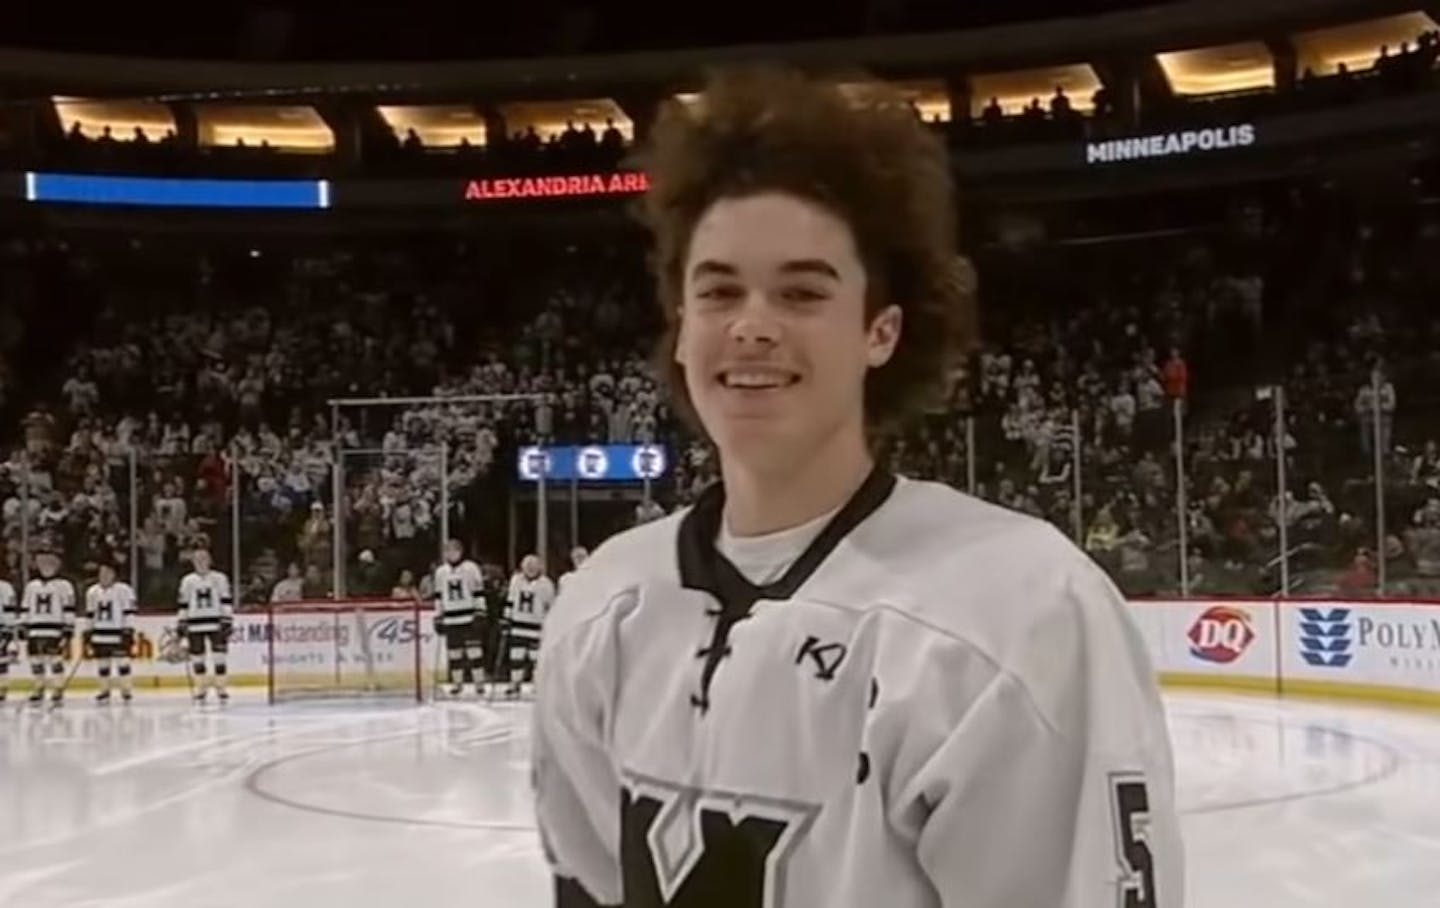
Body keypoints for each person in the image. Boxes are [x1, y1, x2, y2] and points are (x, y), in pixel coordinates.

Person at [532, 66, 1182, 908]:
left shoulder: (1022, 614)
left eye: (803, 292)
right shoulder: (604, 605)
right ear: (682, 328)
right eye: (718, 290)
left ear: (882, 331)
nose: (753, 324)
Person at [20, 549, 76, 707]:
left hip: (54, 629)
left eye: (49, 562)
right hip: (34, 628)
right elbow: (26, 606)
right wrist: (24, 624)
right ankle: (39, 687)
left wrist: (69, 627)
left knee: (55, 660)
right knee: (36, 659)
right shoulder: (31, 586)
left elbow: (69, 608)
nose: (45, 565)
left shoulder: (65, 586)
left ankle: (57, 688)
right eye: (41, 562)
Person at [177, 548, 234, 704]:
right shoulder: (187, 581)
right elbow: (183, 604)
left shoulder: (220, 578)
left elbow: (226, 600)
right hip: (195, 624)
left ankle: (221, 688)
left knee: (219, 657)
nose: (201, 562)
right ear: (193, 562)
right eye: (197, 559)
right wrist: (181, 622)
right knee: (197, 658)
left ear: (210, 560)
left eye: (204, 558)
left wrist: (227, 619)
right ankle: (200, 689)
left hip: (216, 622)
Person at [432, 539, 486, 697]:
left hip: (469, 616)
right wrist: (438, 616)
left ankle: (479, 683)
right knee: (454, 653)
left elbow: (478, 592)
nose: (450, 553)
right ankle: (457, 684)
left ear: (460, 551)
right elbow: (438, 596)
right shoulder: (441, 572)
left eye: (454, 550)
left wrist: (480, 612)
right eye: (447, 551)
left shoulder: (471, 568)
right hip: (450, 618)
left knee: (474, 651)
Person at [84, 561, 138, 704]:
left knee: (123, 663)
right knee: (103, 663)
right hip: (99, 633)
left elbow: (129, 612)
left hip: (118, 632)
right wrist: (88, 631)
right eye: (102, 573)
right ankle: (104, 690)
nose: (104, 576)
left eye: (108, 572)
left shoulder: (124, 590)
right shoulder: (92, 592)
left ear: (114, 574)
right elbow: (90, 614)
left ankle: (126, 690)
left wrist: (129, 630)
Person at [504, 554, 554, 696]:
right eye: (527, 565)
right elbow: (510, 600)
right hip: (518, 625)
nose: (530, 568)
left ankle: (538, 685)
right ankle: (515, 683)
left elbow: (550, 606)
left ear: (539, 567)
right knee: (516, 657)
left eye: (533, 565)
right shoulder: (516, 580)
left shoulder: (546, 584)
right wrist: (506, 619)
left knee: (536, 659)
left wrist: (550, 624)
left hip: (536, 626)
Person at [0, 570, 15, 703]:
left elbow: (9, 610)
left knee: (1, 661)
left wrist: (8, 628)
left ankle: (2, 689)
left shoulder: (4, 587)